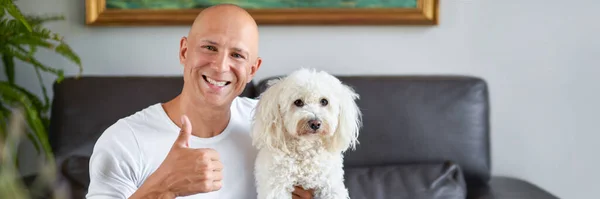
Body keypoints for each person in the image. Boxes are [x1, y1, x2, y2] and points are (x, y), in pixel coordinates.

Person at [86, 4, 314, 199]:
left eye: (237, 55)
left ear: (252, 69)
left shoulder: (275, 127)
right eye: (210, 48)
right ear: (184, 51)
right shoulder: (125, 140)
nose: (220, 66)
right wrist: (162, 186)